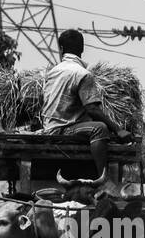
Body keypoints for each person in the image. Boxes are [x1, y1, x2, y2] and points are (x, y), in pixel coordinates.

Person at [40, 29, 131, 180]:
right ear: (82, 48)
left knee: (92, 125)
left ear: (61, 49)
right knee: (99, 129)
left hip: (49, 126)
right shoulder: (82, 74)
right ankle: (102, 178)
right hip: (63, 130)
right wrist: (118, 129)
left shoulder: (52, 72)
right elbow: (92, 108)